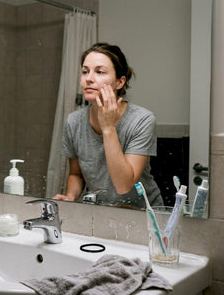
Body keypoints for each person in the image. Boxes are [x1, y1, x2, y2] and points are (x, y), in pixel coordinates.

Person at [53, 42, 163, 208]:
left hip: (144, 215)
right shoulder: (74, 122)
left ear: (120, 82)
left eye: (99, 72)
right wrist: (70, 196)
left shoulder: (142, 120)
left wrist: (108, 128)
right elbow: (76, 174)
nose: (88, 78)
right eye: (85, 71)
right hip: (100, 213)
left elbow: (123, 185)